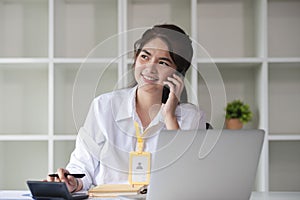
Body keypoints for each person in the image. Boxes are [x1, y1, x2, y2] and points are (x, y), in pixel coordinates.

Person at [47, 24, 206, 192]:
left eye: (163, 62)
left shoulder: (191, 117)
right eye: (145, 56)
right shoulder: (104, 106)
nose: (150, 68)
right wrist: (73, 182)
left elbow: (189, 178)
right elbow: (82, 165)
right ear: (135, 59)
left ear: (178, 73)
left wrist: (170, 118)